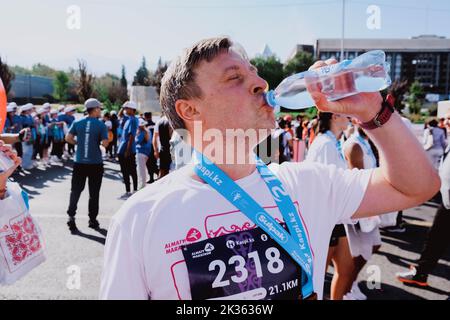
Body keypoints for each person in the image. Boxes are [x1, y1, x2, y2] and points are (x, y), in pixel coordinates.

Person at [100, 37, 439, 300]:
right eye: (234, 77)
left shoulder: (305, 184)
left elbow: (416, 187)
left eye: (254, 72)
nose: (260, 82)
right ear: (190, 109)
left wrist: (372, 112)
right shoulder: (140, 218)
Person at [305, 111, 355, 300]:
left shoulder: (333, 142)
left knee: (346, 268)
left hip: (335, 216)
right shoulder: (325, 144)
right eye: (345, 114)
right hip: (325, 216)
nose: (349, 117)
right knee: (318, 275)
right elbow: (326, 184)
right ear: (334, 117)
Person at [396, 112, 450, 287]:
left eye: (449, 118)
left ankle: (421, 273)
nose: (445, 121)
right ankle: (420, 273)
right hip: (447, 201)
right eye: (445, 119)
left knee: (437, 238)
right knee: (435, 238)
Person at [342, 126, 382, 300]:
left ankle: (351, 283)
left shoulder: (366, 142)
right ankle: (346, 288)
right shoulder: (354, 145)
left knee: (372, 246)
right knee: (357, 253)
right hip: (360, 207)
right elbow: (358, 181)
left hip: (369, 205)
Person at [65, 98, 109, 233]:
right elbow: (105, 143)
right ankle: (92, 220)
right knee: (94, 193)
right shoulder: (101, 125)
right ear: (95, 109)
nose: (100, 111)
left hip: (79, 162)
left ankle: (71, 217)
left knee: (76, 191)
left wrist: (79, 144)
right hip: (95, 163)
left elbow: (68, 138)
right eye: (99, 109)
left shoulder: (77, 122)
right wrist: (99, 144)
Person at [117, 101, 139, 199]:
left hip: (127, 150)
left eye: (127, 108)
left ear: (131, 109)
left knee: (130, 171)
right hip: (123, 149)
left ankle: (132, 191)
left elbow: (131, 136)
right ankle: (129, 191)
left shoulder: (133, 120)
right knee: (126, 171)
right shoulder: (129, 119)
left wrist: (127, 150)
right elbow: (120, 114)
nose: (125, 110)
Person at [135, 118, 152, 190]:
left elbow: (137, 141)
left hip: (140, 152)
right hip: (146, 152)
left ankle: (142, 186)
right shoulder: (148, 131)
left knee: (141, 169)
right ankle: (143, 184)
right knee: (143, 169)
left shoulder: (142, 132)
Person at [144, 112, 158, 183]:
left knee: (149, 163)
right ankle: (156, 175)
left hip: (148, 147)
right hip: (155, 146)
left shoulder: (145, 125)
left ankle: (153, 177)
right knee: (153, 162)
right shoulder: (155, 124)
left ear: (145, 117)